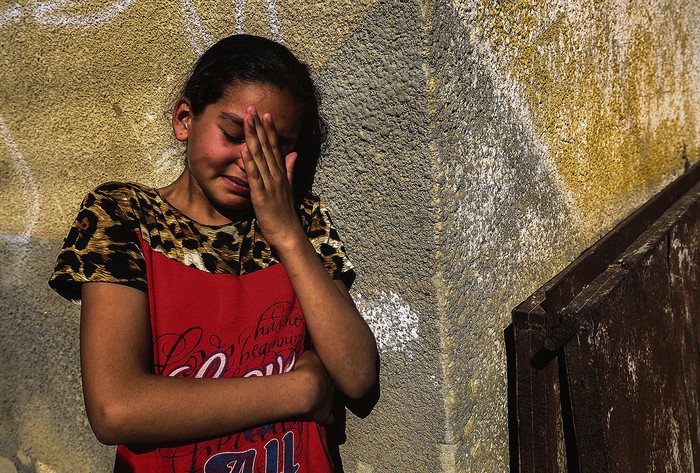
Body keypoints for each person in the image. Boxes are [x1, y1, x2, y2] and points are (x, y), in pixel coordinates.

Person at [49, 34, 378, 473]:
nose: (250, 160)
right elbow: (116, 408)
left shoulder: (301, 221)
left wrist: (286, 234)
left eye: (274, 149)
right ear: (184, 119)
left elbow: (357, 376)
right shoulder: (124, 216)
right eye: (234, 134)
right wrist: (301, 390)